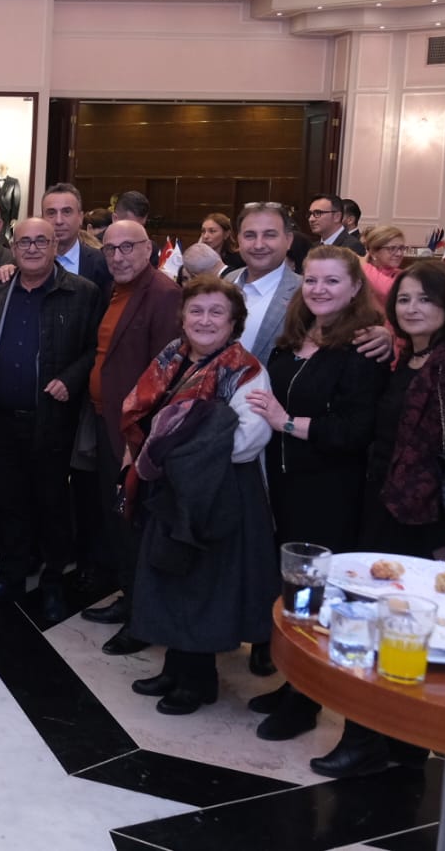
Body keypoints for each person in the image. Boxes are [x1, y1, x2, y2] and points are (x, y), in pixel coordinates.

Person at [310, 261, 445, 778]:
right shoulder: (410, 358)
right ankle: (398, 738)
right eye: (403, 299)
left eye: (425, 299)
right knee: (390, 623)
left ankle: (369, 739)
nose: (413, 308)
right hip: (387, 506)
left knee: (402, 624)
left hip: (426, 518)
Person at [242, 246, 387, 740]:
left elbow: (354, 430)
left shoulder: (362, 349)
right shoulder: (293, 338)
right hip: (285, 483)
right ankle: (294, 682)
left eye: (331, 281)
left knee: (321, 597)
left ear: (355, 288)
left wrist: (287, 423)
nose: (319, 290)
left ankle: (308, 701)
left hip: (330, 489)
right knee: (293, 592)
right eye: (312, 281)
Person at [118, 276, 274, 716]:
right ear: (183, 317)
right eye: (196, 311)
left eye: (216, 312)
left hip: (216, 493)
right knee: (170, 577)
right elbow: (147, 413)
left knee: (203, 586)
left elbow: (246, 441)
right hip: (171, 488)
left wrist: (177, 452)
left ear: (234, 322)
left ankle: (198, 681)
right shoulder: (173, 356)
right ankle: (175, 667)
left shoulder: (247, 371)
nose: (205, 320)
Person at [0, 218, 100, 620]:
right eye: (24, 242)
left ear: (55, 246)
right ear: (13, 247)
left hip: (53, 419)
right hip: (2, 418)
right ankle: (10, 577)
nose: (31, 249)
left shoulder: (81, 292)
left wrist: (70, 379)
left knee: (52, 504)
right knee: (8, 501)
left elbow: (95, 349)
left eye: (40, 241)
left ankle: (53, 582)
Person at [77, 219, 182, 655]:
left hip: (136, 432)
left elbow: (166, 372)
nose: (118, 256)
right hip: (107, 422)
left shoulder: (163, 294)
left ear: (148, 248)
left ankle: (144, 618)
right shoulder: (114, 290)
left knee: (136, 524)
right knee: (118, 519)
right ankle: (129, 597)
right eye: (110, 249)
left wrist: (139, 438)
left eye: (127, 247)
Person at [222, 202, 302, 361]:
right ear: (239, 240)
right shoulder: (227, 281)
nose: (258, 245)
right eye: (250, 235)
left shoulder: (304, 293)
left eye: (269, 235)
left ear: (288, 240)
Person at [43, 183, 112, 296]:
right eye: (51, 213)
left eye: (67, 212)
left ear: (80, 218)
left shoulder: (101, 262)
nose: (59, 221)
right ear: (42, 219)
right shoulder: (27, 261)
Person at [360, 224, 406, 305]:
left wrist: (363, 265)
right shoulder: (358, 274)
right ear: (373, 252)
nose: (399, 253)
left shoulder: (402, 275)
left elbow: (390, 290)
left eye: (401, 248)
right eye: (392, 248)